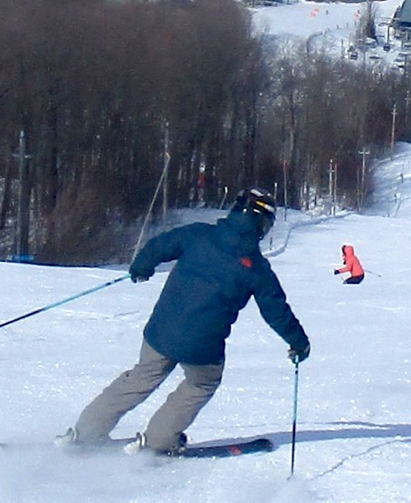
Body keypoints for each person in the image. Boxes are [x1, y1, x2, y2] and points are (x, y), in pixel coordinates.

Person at [66, 188, 310, 455]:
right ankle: (159, 440)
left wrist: (142, 266)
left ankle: (86, 432)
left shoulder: (198, 234)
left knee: (142, 376)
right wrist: (298, 343)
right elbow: (277, 311)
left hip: (161, 332)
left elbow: (159, 245)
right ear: (261, 225)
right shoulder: (257, 269)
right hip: (202, 347)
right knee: (201, 383)